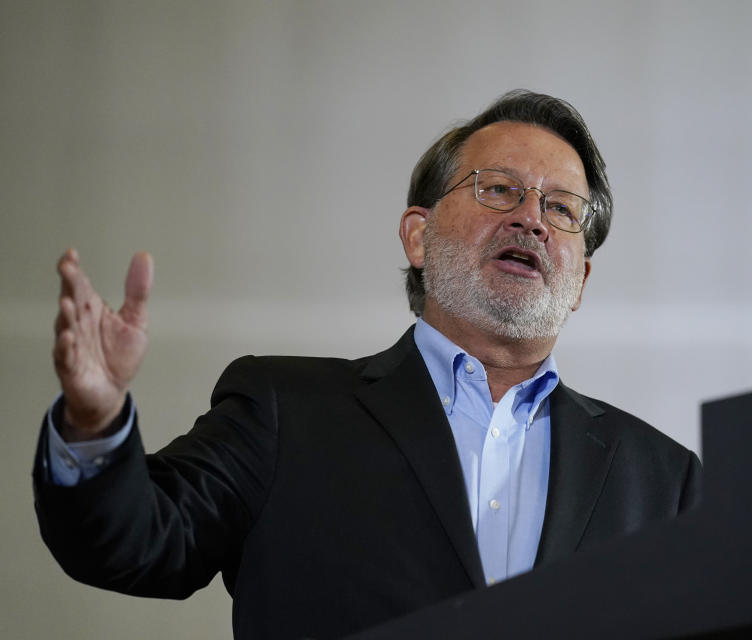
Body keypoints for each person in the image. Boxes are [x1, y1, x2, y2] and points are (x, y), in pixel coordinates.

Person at [34, 90, 702, 640]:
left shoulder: (664, 480)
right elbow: (139, 543)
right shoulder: (284, 411)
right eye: (500, 190)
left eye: (560, 208)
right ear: (419, 235)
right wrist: (96, 421)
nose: (531, 218)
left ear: (579, 280)